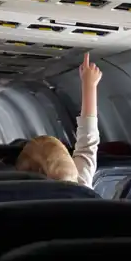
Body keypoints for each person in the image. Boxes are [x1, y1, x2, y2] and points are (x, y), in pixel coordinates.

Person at [16, 53, 101, 188]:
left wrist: (89, 86)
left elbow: (88, 144)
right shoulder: (81, 188)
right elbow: (87, 143)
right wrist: (89, 85)